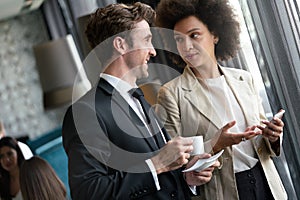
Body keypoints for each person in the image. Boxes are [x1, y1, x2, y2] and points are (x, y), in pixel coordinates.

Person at [62, 2, 219, 200]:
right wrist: (157, 163)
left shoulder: (140, 98)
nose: (153, 51)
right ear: (120, 45)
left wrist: (187, 178)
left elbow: (157, 178)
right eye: (146, 40)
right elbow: (89, 192)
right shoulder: (86, 111)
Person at [155, 0, 287, 199]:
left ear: (215, 35)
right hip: (221, 191)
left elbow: (260, 139)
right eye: (179, 40)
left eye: (194, 35)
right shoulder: (171, 94)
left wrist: (273, 136)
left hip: (266, 182)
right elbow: (172, 160)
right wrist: (214, 145)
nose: (186, 46)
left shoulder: (244, 79)